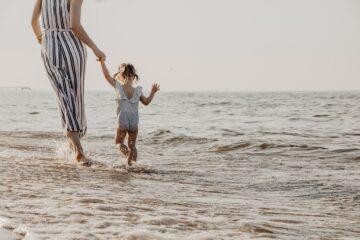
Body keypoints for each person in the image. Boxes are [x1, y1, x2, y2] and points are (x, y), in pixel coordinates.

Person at [31, 0, 106, 164]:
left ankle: (74, 147)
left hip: (49, 47)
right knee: (75, 96)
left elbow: (33, 21)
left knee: (63, 95)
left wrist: (42, 39)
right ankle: (78, 148)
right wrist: (94, 47)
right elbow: (74, 25)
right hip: (72, 49)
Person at [99, 60, 160, 166]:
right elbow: (146, 102)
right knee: (132, 146)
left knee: (119, 143)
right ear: (134, 76)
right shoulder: (138, 90)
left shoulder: (118, 87)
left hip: (122, 121)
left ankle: (128, 159)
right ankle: (133, 165)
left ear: (121, 75)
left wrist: (102, 62)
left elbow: (107, 76)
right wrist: (152, 92)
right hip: (134, 123)